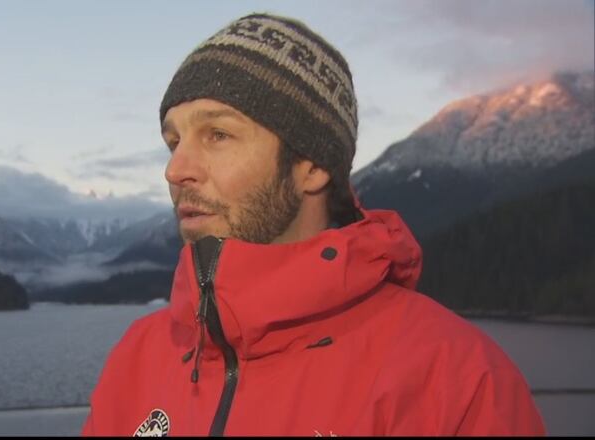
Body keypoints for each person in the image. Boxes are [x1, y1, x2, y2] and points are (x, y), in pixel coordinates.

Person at [81, 13, 545, 436]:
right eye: (174, 140)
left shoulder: (454, 378)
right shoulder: (137, 357)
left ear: (312, 165)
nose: (176, 169)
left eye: (217, 135)